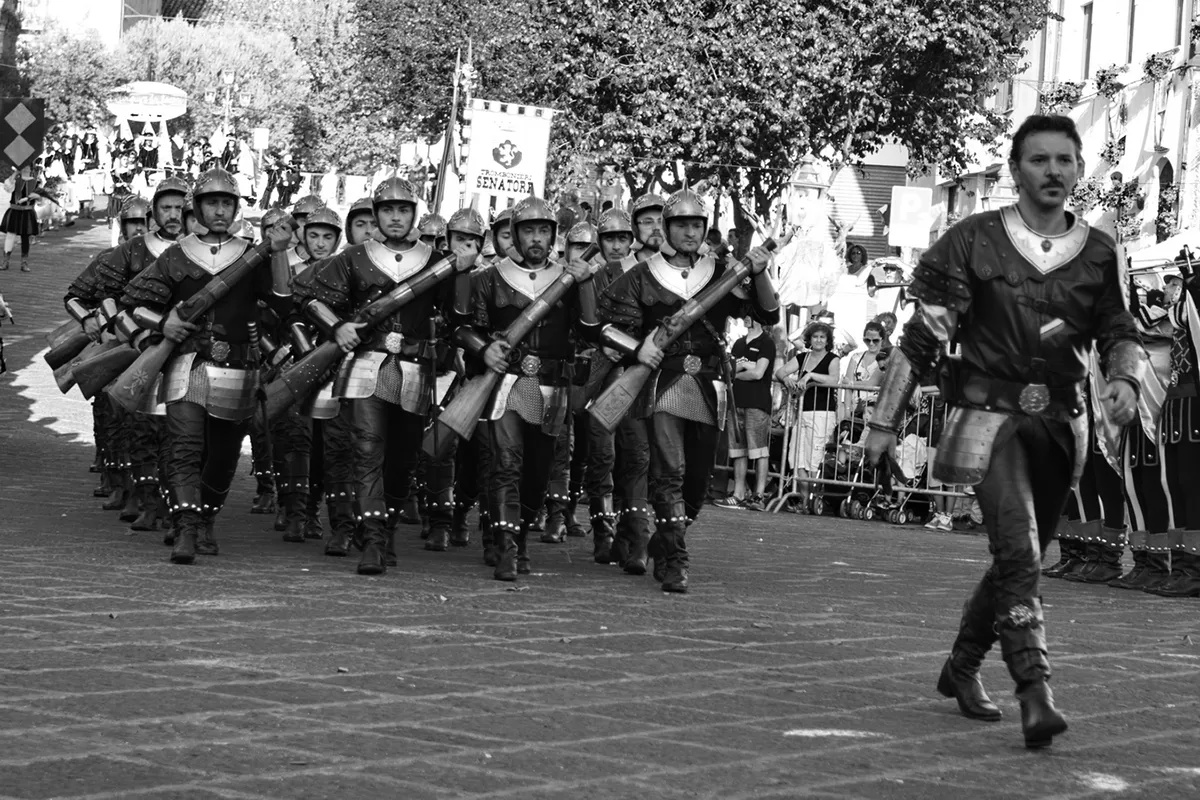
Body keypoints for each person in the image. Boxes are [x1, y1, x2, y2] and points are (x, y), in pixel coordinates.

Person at [863, 114, 1145, 748]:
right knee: (1018, 552)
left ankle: (961, 668)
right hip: (987, 420)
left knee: (1020, 558)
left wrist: (1126, 378)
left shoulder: (1102, 251)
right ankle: (1035, 692)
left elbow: (1118, 330)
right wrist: (883, 422)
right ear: (1015, 170)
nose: (1053, 171)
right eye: (1039, 159)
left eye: (1064, 160)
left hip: (1062, 425)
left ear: (1079, 169)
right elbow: (921, 339)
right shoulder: (971, 239)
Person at [594, 189, 778, 592]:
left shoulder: (723, 272)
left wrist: (760, 271)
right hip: (661, 382)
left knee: (696, 483)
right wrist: (638, 349)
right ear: (667, 227)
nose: (690, 232)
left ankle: (663, 542)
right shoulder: (641, 275)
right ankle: (677, 560)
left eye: (696, 225)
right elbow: (605, 328)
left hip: (710, 384)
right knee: (669, 472)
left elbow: (768, 313)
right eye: (682, 225)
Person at [120, 168, 295, 564]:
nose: (219, 210)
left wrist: (280, 251)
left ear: (236, 209)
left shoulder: (254, 254)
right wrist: (163, 323)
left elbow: (284, 303)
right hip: (187, 364)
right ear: (197, 208)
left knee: (223, 455)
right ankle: (185, 527)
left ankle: (205, 520)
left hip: (238, 369)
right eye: (212, 203)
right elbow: (135, 303)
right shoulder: (176, 254)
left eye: (226, 203)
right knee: (183, 448)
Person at [292, 178, 460, 575]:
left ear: (414, 214)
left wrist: (465, 273)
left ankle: (387, 531)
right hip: (365, 366)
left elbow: (460, 316)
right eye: (388, 210)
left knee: (403, 459)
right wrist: (336, 326)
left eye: (403, 210)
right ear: (377, 214)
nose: (395, 217)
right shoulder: (354, 257)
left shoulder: (437, 261)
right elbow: (304, 291)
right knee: (367, 452)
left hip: (415, 371)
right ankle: (371, 540)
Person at [454, 197, 593, 580]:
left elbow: (590, 329)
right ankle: (507, 546)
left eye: (543, 231)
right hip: (504, 385)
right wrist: (484, 349)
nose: (536, 238)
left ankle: (522, 536)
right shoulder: (488, 278)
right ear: (515, 235)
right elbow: (463, 327)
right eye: (528, 230)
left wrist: (586, 284)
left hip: (551, 388)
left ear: (553, 235)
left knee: (537, 472)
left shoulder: (569, 279)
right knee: (506, 464)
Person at [776, 322, 841, 512]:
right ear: (809, 339)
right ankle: (804, 499)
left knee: (814, 459)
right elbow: (780, 372)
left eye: (822, 337)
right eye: (815, 337)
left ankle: (813, 498)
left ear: (827, 340)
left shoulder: (833, 359)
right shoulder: (802, 357)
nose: (818, 340)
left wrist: (810, 376)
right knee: (797, 458)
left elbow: (833, 380)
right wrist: (787, 379)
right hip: (802, 412)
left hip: (822, 413)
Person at [722, 314, 776, 510]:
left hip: (757, 402)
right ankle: (738, 493)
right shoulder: (738, 343)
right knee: (738, 450)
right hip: (736, 401)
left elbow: (758, 373)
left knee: (759, 450)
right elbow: (728, 371)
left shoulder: (767, 342)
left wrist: (740, 370)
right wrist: (745, 366)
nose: (745, 318)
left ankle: (758, 496)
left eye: (750, 315)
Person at [2, 165, 44, 272]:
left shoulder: (36, 182)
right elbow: (7, 188)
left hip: (27, 212)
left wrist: (34, 197)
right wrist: (15, 173)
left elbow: (40, 200)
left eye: (27, 167)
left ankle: (24, 263)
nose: (25, 168)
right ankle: (5, 261)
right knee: (10, 235)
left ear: (31, 169)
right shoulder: (15, 180)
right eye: (23, 166)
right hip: (14, 210)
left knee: (25, 237)